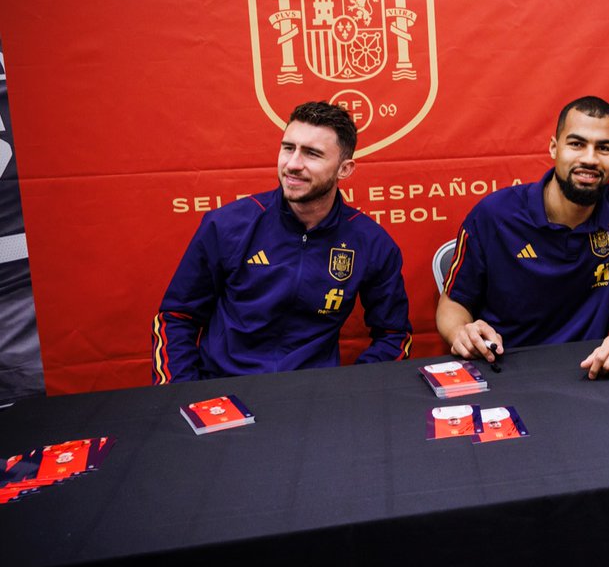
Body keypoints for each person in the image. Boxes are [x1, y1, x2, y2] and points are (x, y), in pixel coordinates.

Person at [152, 101, 413, 383]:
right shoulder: (227, 225)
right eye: (288, 148)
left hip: (315, 396)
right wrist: (184, 394)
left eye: (312, 154)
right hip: (224, 391)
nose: (292, 164)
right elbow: (177, 318)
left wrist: (350, 389)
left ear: (344, 169)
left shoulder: (371, 243)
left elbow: (393, 336)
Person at [437, 96, 609, 380]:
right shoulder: (493, 215)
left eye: (604, 148)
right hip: (502, 369)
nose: (590, 158)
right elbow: (452, 305)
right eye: (576, 144)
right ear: (553, 148)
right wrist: (461, 332)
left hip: (587, 371)